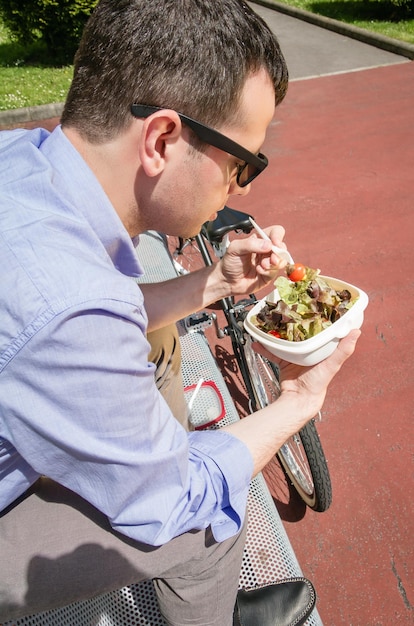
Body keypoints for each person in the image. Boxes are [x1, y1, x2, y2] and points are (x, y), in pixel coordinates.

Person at [0, 1, 360, 624]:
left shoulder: (24, 162)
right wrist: (302, 400)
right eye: (243, 162)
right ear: (162, 138)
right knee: (207, 520)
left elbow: (77, 316)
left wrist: (211, 284)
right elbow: (175, 495)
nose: (242, 188)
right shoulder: (72, 307)